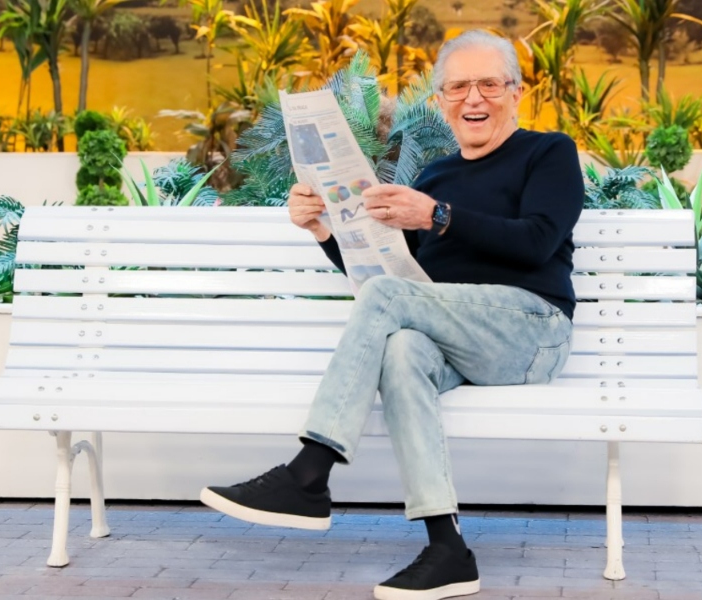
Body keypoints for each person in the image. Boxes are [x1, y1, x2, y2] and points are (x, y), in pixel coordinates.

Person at [200, 29, 585, 600]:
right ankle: (447, 548)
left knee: (388, 307)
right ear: (441, 100)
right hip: (459, 337)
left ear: (516, 92)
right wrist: (324, 229)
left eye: (488, 84)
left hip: (530, 331)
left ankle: (309, 474)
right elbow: (393, 278)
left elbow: (538, 241)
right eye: (457, 87)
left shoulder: (547, 153)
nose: (473, 98)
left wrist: (439, 216)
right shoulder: (434, 178)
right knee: (402, 348)